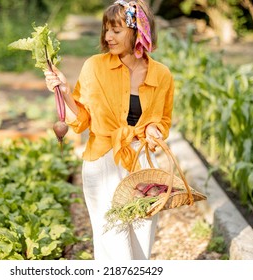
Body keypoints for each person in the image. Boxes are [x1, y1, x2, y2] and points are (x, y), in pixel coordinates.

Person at [44, 0, 174, 260]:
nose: (107, 36)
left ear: (137, 31)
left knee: (141, 241)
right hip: (103, 159)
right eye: (106, 29)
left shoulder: (162, 75)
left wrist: (153, 130)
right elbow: (81, 120)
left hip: (142, 164)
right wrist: (66, 92)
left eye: (116, 30)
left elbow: (163, 121)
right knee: (112, 243)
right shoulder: (94, 66)